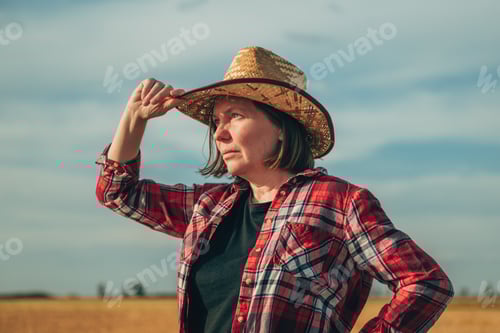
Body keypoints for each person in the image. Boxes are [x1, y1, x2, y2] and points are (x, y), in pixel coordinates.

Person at [95, 46, 454, 333]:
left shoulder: (340, 203)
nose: (220, 133)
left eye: (235, 116)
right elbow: (117, 191)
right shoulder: (208, 207)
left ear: (282, 126)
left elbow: (425, 283)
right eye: (216, 121)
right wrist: (134, 119)